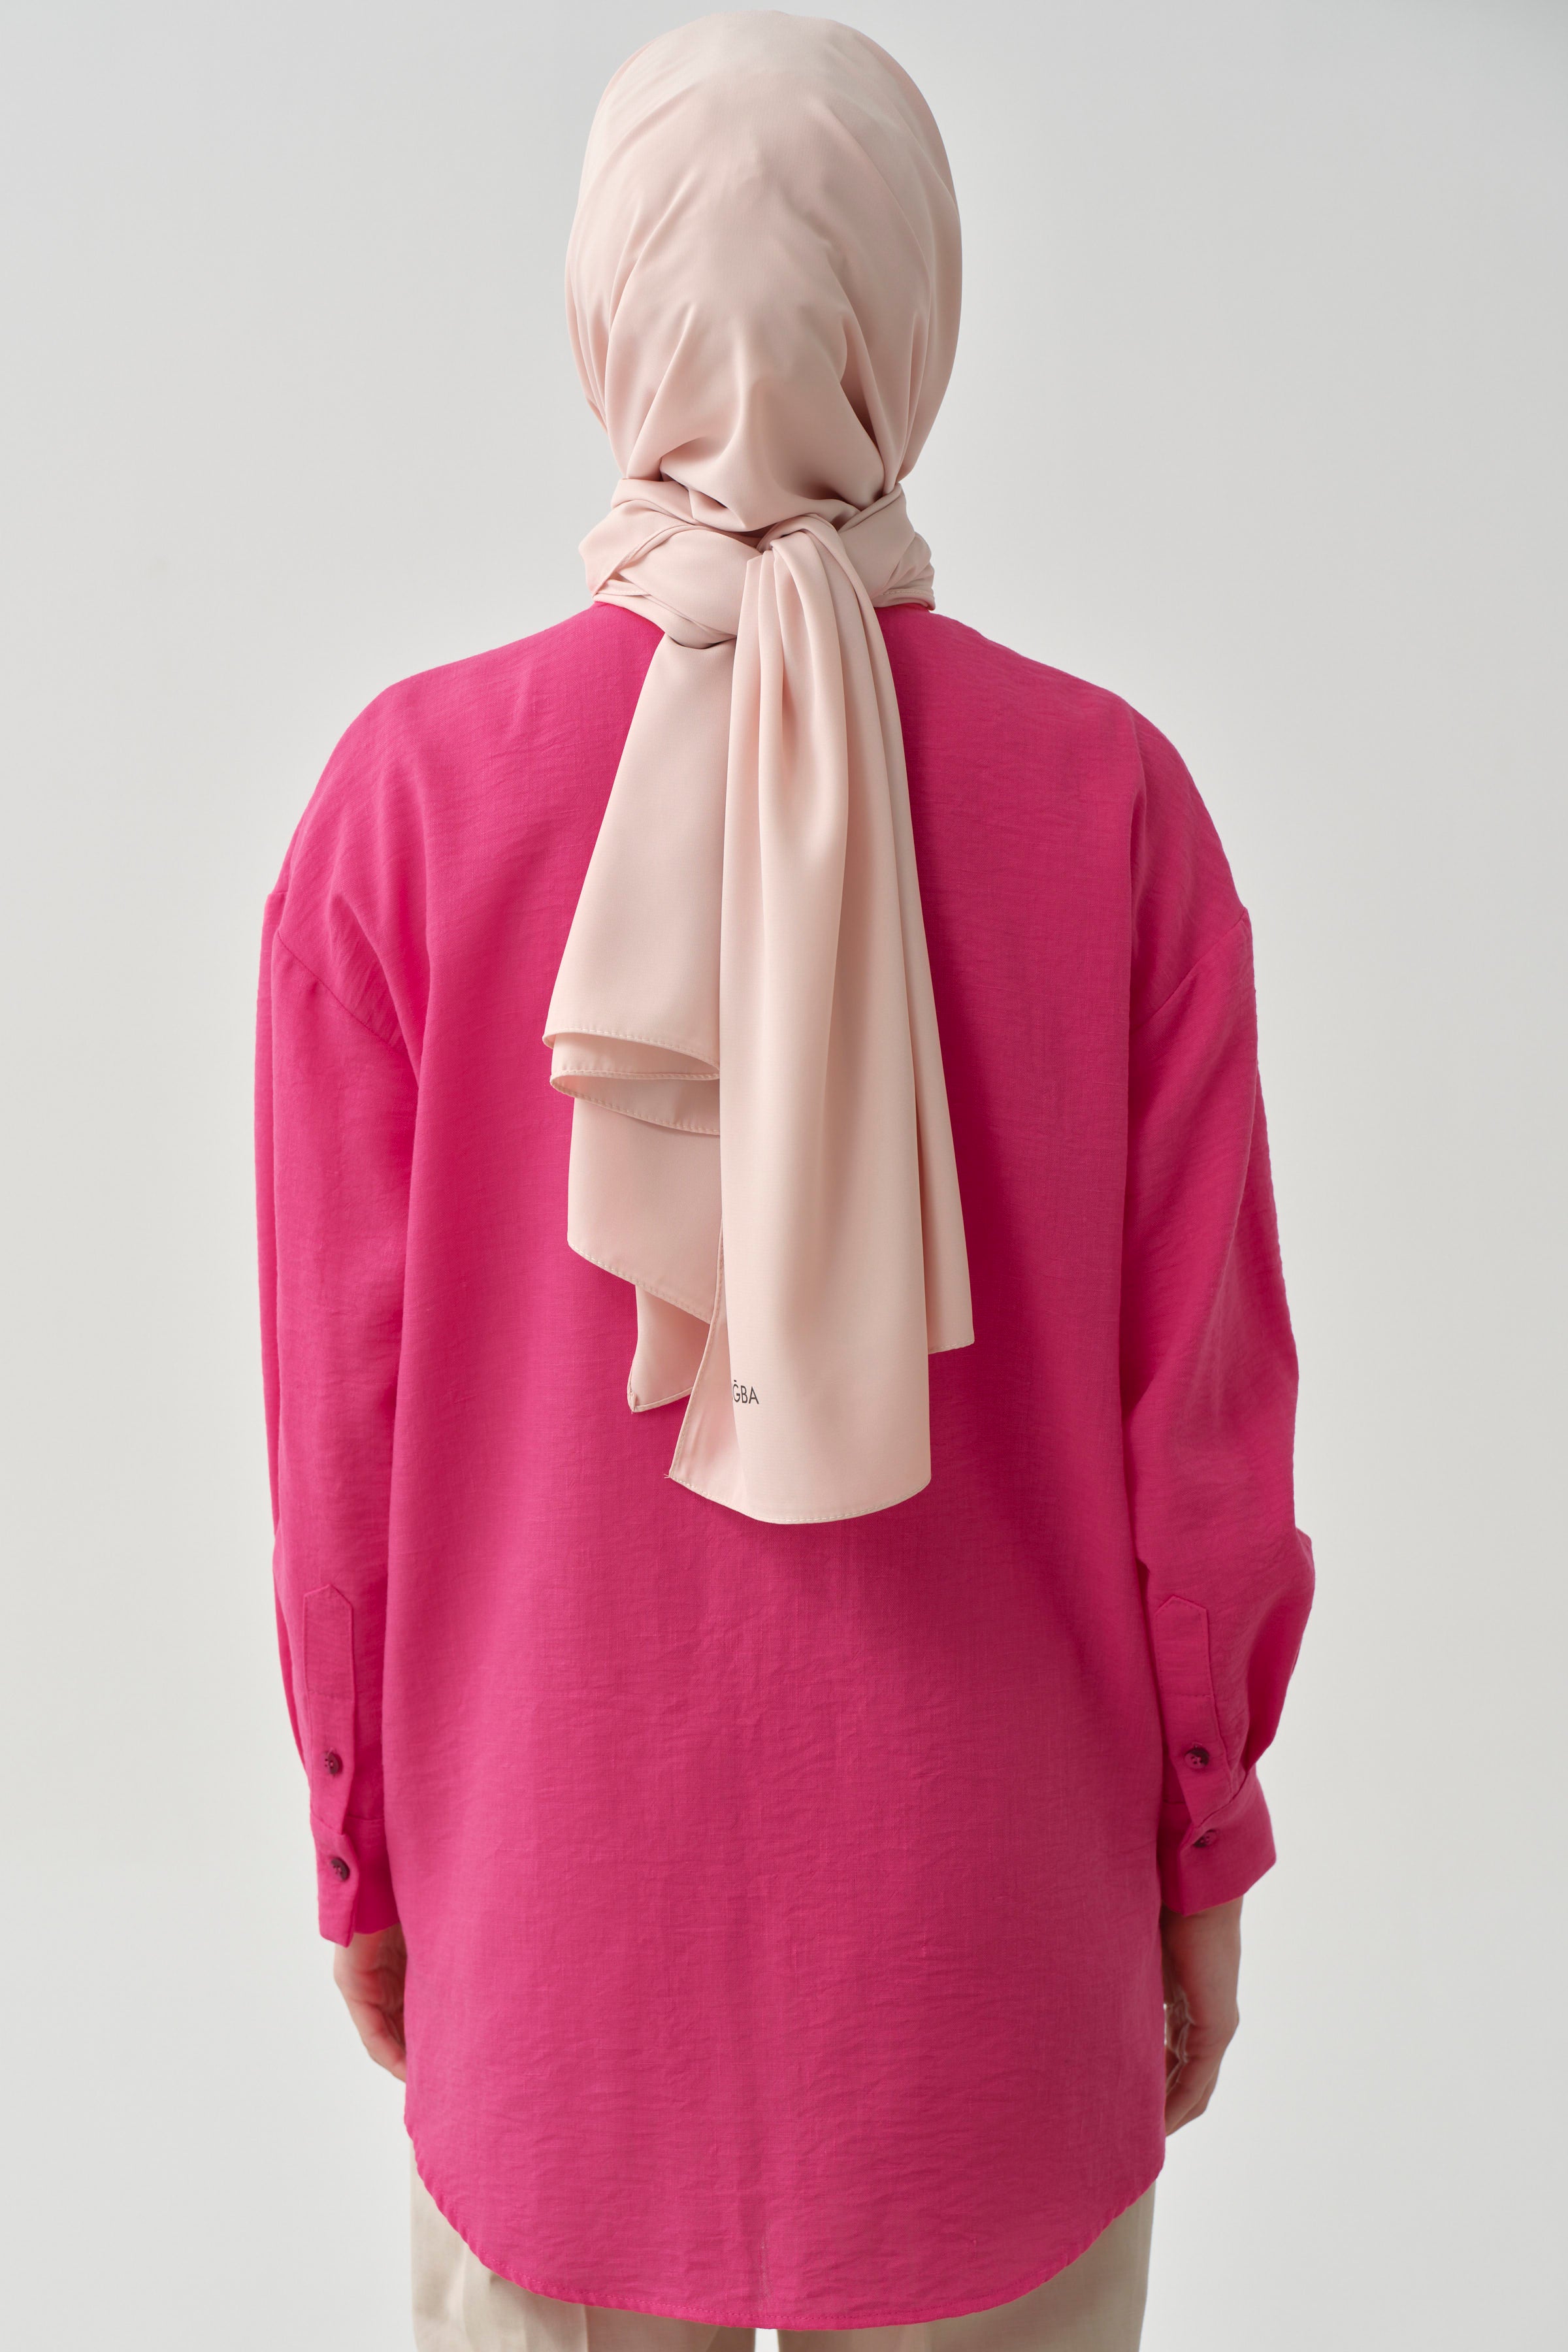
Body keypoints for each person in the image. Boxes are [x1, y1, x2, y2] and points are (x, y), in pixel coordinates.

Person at [255, 16, 1313, 2350]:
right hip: (991, 1985)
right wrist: (1204, 1853)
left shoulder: (400, 811)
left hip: (549, 1957)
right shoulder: (1118, 813)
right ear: (915, 311)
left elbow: (340, 1446)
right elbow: (1208, 1456)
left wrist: (360, 1847)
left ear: (608, 302)